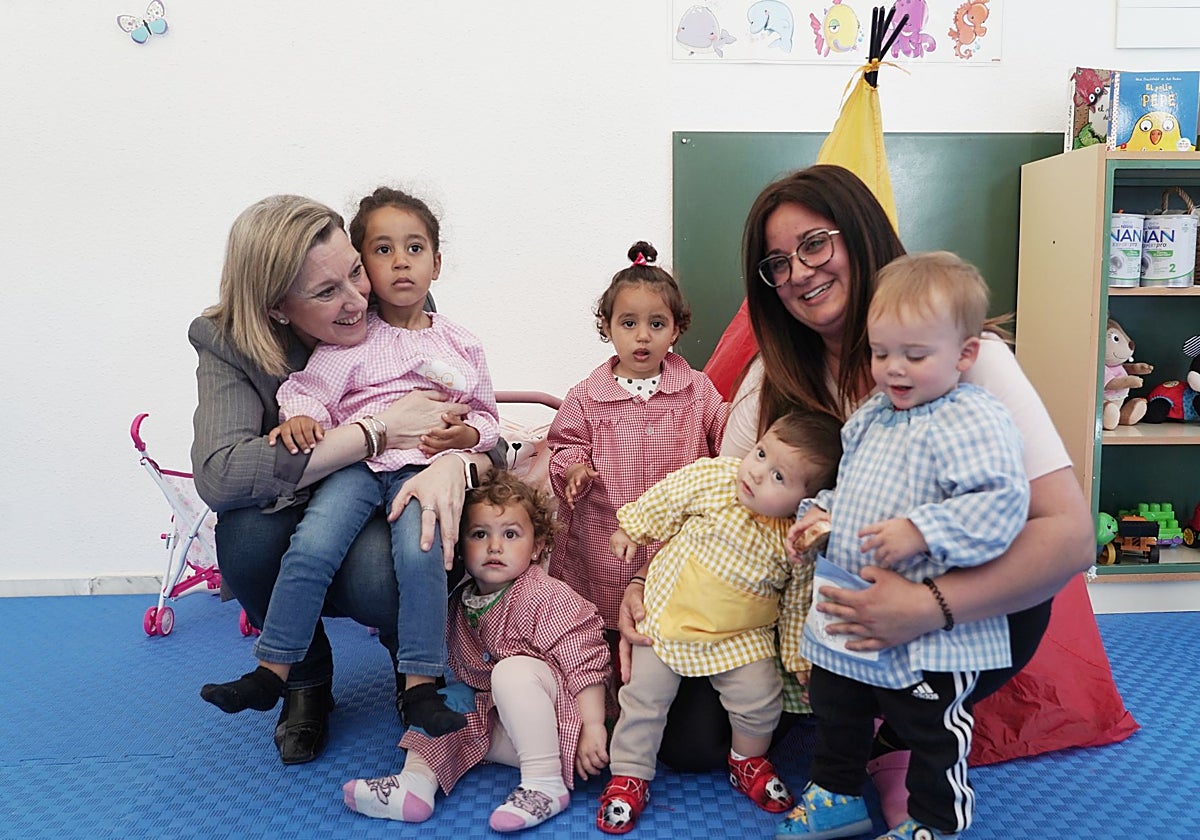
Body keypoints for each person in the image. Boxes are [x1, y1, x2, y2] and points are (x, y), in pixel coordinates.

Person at [617, 165, 1093, 801]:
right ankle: (842, 711)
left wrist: (926, 608)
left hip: (934, 597)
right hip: (807, 615)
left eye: (815, 244)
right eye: (778, 264)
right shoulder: (772, 377)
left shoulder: (973, 363)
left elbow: (1069, 537)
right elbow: (717, 500)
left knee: (1019, 589)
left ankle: (909, 730)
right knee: (690, 746)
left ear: (861, 235)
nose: (800, 273)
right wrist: (645, 582)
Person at [190, 194, 495, 764]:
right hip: (332, 480)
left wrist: (460, 455)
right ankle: (291, 676)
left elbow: (480, 416)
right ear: (278, 307)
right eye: (327, 292)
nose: (359, 298)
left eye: (357, 270)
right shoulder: (230, 341)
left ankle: (419, 682)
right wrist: (370, 431)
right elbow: (223, 473)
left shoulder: (414, 315)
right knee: (266, 544)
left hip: (408, 473)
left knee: (414, 556)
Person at [775, 252, 1030, 840]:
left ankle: (935, 821)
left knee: (930, 725)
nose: (894, 369)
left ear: (965, 355)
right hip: (849, 610)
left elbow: (1001, 506)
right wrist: (817, 517)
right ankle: (837, 792)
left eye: (915, 355)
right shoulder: (873, 416)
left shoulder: (972, 418)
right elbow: (850, 489)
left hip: (929, 628)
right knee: (836, 707)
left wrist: (921, 531)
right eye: (881, 352)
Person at [596, 412, 843, 835]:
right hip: (668, 618)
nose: (757, 472)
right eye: (761, 453)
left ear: (808, 501)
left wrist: (798, 659)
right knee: (643, 700)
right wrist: (633, 529)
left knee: (761, 697)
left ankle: (746, 760)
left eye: (779, 477)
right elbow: (670, 496)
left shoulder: (794, 541)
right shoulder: (718, 479)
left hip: (741, 637)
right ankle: (630, 773)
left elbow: (797, 604)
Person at [343, 472, 610, 833]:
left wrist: (594, 726)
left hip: (560, 728)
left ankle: (545, 783)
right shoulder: (461, 600)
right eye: (480, 534)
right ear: (460, 543)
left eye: (510, 534)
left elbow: (587, 663)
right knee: (445, 699)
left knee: (511, 672)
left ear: (537, 547)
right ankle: (415, 784)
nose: (494, 546)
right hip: (502, 727)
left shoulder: (546, 596)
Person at [547, 241, 726, 661]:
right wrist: (574, 469)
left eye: (657, 324)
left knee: (672, 630)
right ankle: (606, 702)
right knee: (601, 631)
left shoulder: (697, 391)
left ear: (676, 329)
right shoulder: (587, 396)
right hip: (604, 543)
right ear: (607, 327)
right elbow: (564, 444)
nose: (642, 336)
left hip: (675, 543)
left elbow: (728, 434)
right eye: (628, 323)